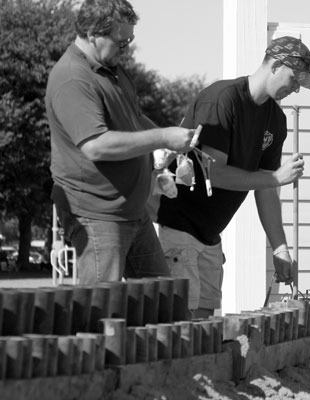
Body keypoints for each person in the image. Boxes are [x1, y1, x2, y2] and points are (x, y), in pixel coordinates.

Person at [156, 36, 310, 318]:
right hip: (180, 226)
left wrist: (280, 247)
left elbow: (266, 188)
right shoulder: (223, 99)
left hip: (210, 234)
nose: (296, 89)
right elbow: (213, 172)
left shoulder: (275, 121)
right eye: (294, 79)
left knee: (205, 322)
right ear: (275, 66)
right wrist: (273, 179)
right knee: (184, 325)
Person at [45, 0, 200, 284]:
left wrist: (171, 141)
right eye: (121, 41)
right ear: (93, 34)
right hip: (97, 214)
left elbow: (135, 118)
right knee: (103, 310)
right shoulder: (72, 78)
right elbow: (96, 145)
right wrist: (164, 136)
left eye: (130, 40)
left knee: (162, 303)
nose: (126, 48)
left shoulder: (112, 70)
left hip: (131, 210)